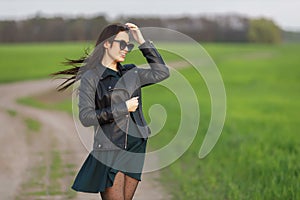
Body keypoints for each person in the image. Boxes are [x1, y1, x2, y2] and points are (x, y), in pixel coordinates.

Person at [52, 22, 169, 199]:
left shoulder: (132, 73)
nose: (126, 49)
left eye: (128, 45)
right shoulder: (91, 78)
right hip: (109, 151)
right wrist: (123, 108)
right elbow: (86, 117)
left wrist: (141, 41)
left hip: (135, 148)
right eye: (122, 44)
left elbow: (162, 72)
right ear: (106, 44)